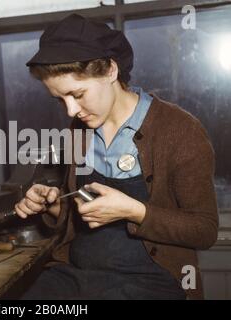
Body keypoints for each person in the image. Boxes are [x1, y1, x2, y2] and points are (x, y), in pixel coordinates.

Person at [14, 14, 218, 300]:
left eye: (78, 94)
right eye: (60, 100)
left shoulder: (180, 130)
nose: (71, 111)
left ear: (110, 70)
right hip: (78, 276)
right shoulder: (80, 130)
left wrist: (134, 211)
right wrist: (51, 203)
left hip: (152, 282)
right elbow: (81, 218)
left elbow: (204, 231)